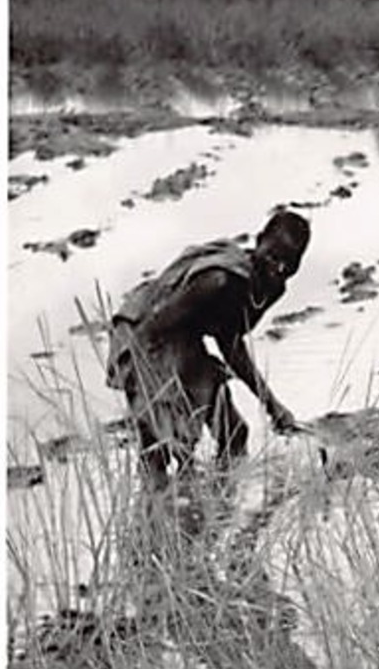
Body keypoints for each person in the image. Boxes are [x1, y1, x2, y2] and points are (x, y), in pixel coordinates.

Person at [106, 210, 310, 503]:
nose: (278, 267)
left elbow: (231, 345)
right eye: (273, 255)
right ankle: (156, 524)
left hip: (183, 337)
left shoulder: (271, 288)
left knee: (235, 434)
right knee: (164, 453)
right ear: (259, 241)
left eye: (289, 263)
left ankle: (219, 517)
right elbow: (154, 327)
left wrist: (272, 406)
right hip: (147, 331)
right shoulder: (218, 281)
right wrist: (151, 399)